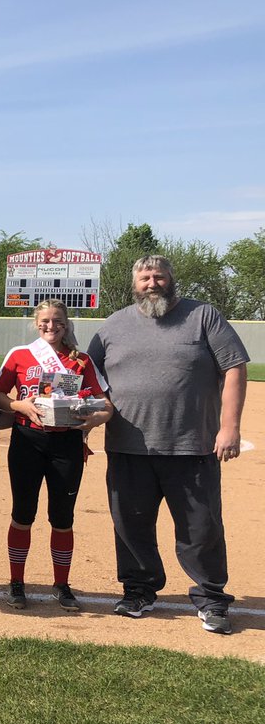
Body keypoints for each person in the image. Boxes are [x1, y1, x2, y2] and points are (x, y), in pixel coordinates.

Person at [87, 255, 249, 635]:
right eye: (144, 277)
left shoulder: (203, 316)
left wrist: (229, 427)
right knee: (131, 525)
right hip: (128, 447)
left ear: (171, 280)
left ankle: (211, 598)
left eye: (159, 276)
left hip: (191, 445)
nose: (152, 283)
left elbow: (234, 367)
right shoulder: (114, 324)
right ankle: (139, 591)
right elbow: (86, 377)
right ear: (134, 283)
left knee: (201, 528)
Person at [0, 300, 113, 611]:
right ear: (36, 323)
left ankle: (61, 584)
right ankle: (16, 582)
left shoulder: (81, 360)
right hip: (27, 441)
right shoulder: (19, 354)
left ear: (66, 324)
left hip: (67, 444)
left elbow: (105, 404)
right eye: (45, 320)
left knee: (62, 517)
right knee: (23, 513)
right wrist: (21, 406)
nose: (51, 326)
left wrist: (94, 417)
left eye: (57, 321)